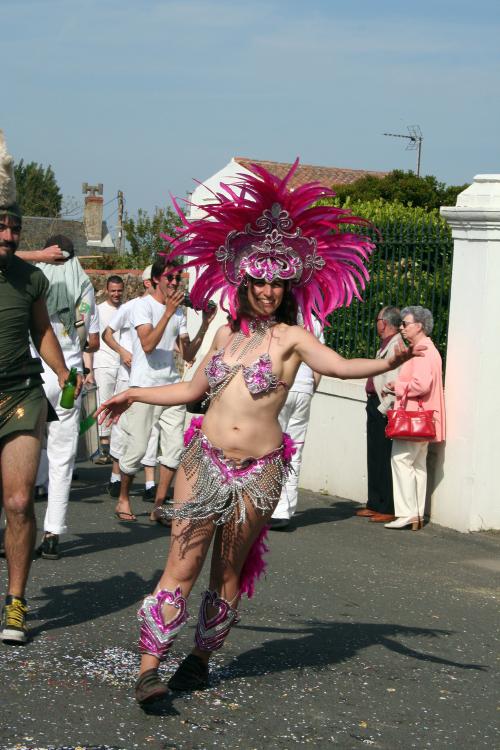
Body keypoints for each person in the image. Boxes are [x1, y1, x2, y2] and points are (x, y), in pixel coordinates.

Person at [97, 161, 418, 705]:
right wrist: (134, 393)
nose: (268, 289)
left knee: (228, 567)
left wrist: (394, 357)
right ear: (243, 282)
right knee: (183, 559)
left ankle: (199, 659)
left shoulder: (294, 337)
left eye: (277, 280)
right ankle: (150, 668)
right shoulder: (224, 332)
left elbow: (338, 366)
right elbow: (191, 389)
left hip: (261, 470)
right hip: (204, 458)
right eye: (259, 279)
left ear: (287, 284)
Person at [0, 131, 77, 644]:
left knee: (21, 501)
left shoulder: (31, 281)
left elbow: (43, 332)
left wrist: (67, 373)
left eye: (13, 228)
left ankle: (16, 602)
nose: (7, 237)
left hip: (20, 394)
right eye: (1, 227)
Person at [112, 257, 216, 522]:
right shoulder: (142, 307)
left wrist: (204, 324)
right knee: (135, 450)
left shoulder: (179, 312)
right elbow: (147, 344)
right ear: (157, 279)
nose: (174, 283)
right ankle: (123, 498)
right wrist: (168, 313)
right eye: (169, 278)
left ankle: (158, 506)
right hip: (143, 388)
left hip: (172, 387)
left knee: (172, 450)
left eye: (177, 279)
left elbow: (188, 352)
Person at [33, 235, 99, 561]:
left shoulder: (34, 281)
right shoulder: (84, 287)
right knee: (62, 460)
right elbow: (87, 335)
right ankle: (52, 533)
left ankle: (15, 528)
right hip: (68, 379)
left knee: (23, 453)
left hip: (34, 375)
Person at [383, 306, 445, 531]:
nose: (402, 327)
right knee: (418, 464)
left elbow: (420, 385)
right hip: (423, 418)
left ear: (419, 326)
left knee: (401, 460)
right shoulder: (430, 349)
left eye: (405, 324)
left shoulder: (420, 350)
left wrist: (396, 386)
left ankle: (406, 513)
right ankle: (416, 513)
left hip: (412, 416)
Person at [102, 265, 160, 504]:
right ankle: (116, 477)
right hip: (129, 377)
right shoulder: (130, 307)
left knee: (151, 429)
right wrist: (123, 352)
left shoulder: (166, 310)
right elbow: (107, 334)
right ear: (149, 283)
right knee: (122, 427)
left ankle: (149, 483)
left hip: (153, 380)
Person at [269, 313, 324, 530]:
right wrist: (311, 388)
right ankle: (285, 509)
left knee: (272, 447)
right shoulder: (315, 321)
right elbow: (320, 362)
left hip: (283, 386)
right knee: (295, 450)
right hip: (304, 387)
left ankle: (270, 505)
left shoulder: (281, 319)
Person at [357, 306, 402, 523]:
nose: (376, 323)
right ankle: (374, 502)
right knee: (374, 454)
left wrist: (384, 408)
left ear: (384, 322)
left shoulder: (396, 345)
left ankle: (386, 505)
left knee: (383, 456)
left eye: (377, 319)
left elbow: (395, 378)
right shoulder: (387, 343)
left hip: (383, 406)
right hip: (375, 403)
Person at [90, 275, 125, 464]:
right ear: (106, 290)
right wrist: (89, 369)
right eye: (113, 290)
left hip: (123, 365)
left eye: (119, 290)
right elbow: (91, 338)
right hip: (103, 363)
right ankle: (104, 446)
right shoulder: (98, 310)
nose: (116, 294)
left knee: (119, 405)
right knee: (104, 402)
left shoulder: (128, 309)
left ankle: (116, 447)